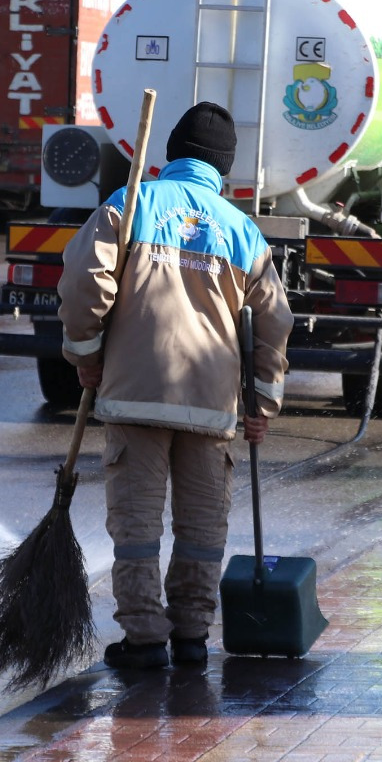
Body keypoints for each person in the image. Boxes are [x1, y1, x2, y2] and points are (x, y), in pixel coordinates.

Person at [57, 102, 293, 669]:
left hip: (133, 396)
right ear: (225, 167)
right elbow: (273, 322)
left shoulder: (131, 204)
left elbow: (84, 282)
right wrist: (262, 401)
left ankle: (143, 640)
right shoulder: (243, 231)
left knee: (136, 527)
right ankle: (190, 636)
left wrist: (86, 355)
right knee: (202, 524)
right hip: (211, 407)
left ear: (172, 154)